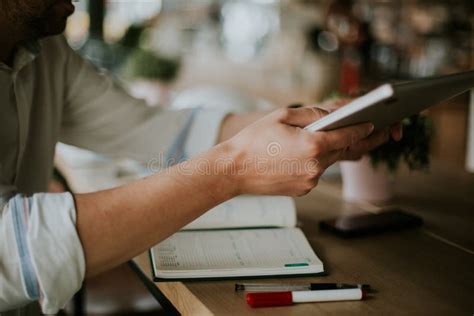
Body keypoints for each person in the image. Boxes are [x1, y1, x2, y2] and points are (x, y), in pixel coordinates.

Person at [0, 0, 402, 314]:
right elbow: (13, 247)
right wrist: (230, 170)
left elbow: (160, 132)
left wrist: (315, 121)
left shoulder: (46, 51)